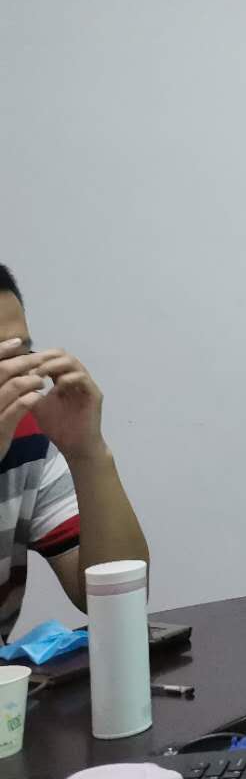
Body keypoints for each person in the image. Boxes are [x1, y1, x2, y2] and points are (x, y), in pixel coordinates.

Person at [0, 264, 149, 642]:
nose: (13, 379)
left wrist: (88, 453)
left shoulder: (26, 438)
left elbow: (116, 598)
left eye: (20, 357)